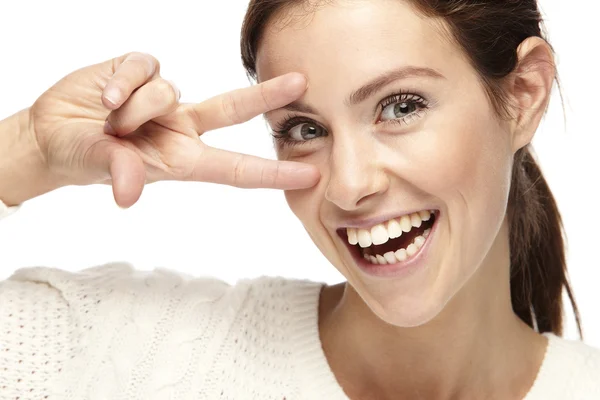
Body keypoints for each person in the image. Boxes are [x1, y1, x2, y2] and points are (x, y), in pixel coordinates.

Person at [1, 0, 599, 399]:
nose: (348, 184)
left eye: (401, 106)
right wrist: (26, 147)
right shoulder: (136, 352)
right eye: (305, 130)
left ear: (523, 95)